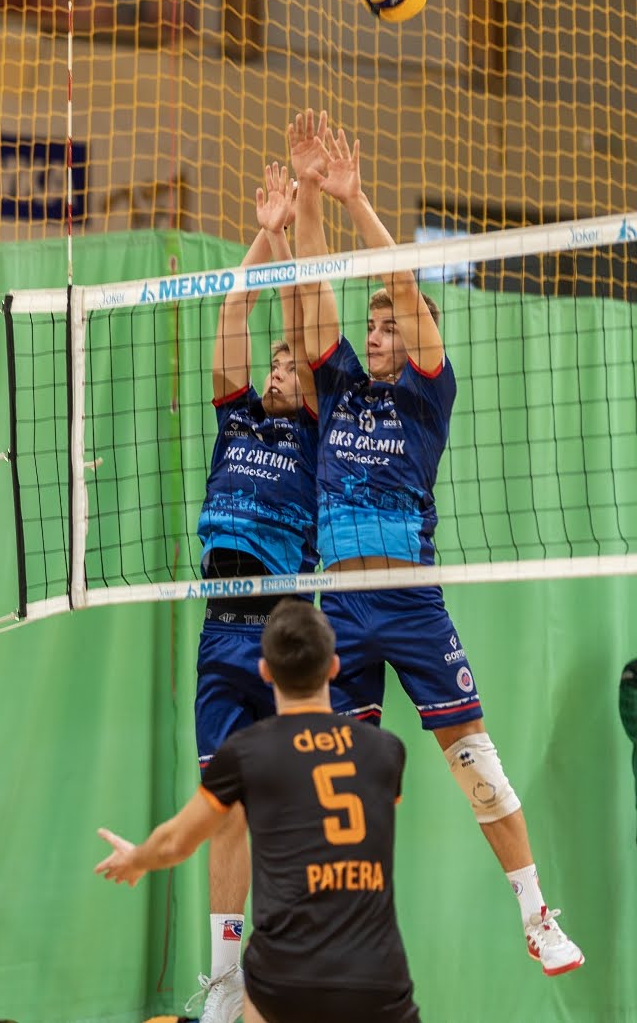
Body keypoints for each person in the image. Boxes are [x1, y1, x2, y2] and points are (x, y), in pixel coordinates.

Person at [289, 108, 583, 974]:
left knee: (475, 764)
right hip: (341, 608)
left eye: (389, 325)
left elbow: (404, 285)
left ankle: (535, 914)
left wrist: (355, 197)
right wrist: (307, 191)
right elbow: (311, 282)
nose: (377, 332)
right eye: (372, 325)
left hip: (411, 603)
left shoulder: (426, 393)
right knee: (343, 782)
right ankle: (341, 939)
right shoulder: (338, 383)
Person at [95, 601, 420, 1023]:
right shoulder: (387, 751)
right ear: (335, 667)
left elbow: (176, 843)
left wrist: (136, 859)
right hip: (376, 979)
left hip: (284, 980)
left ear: (265, 672)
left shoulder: (246, 752)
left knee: (263, 978)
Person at [185, 163, 321, 1022]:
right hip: (220, 628)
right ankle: (224, 981)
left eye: (289, 363)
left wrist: (302, 227)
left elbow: (306, 323)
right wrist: (266, 233)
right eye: (272, 363)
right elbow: (236, 310)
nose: (277, 369)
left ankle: (298, 973)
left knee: (294, 816)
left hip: (284, 634)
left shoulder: (318, 433)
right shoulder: (235, 418)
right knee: (222, 812)